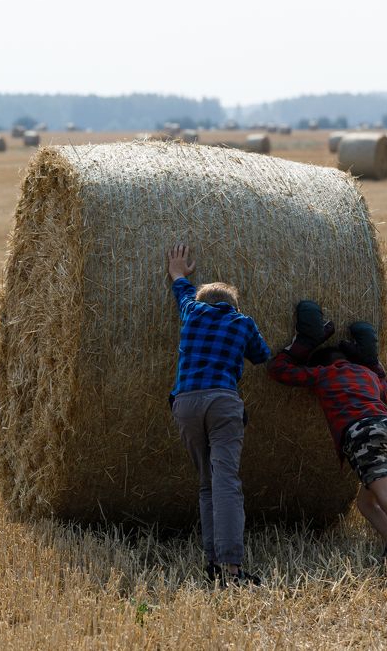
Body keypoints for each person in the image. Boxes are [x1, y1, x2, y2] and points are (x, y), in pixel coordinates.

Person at [266, 302, 387, 570]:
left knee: (386, 496)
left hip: (363, 433)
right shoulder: (367, 375)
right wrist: (373, 362)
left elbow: (279, 370)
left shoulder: (323, 375)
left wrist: (302, 345)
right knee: (366, 502)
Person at [166, 244, 271, 586]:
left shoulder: (192, 312)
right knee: (226, 481)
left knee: (207, 485)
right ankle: (231, 569)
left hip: (185, 403)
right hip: (222, 403)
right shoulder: (242, 322)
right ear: (233, 306)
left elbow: (180, 289)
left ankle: (212, 564)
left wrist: (179, 271)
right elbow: (262, 355)